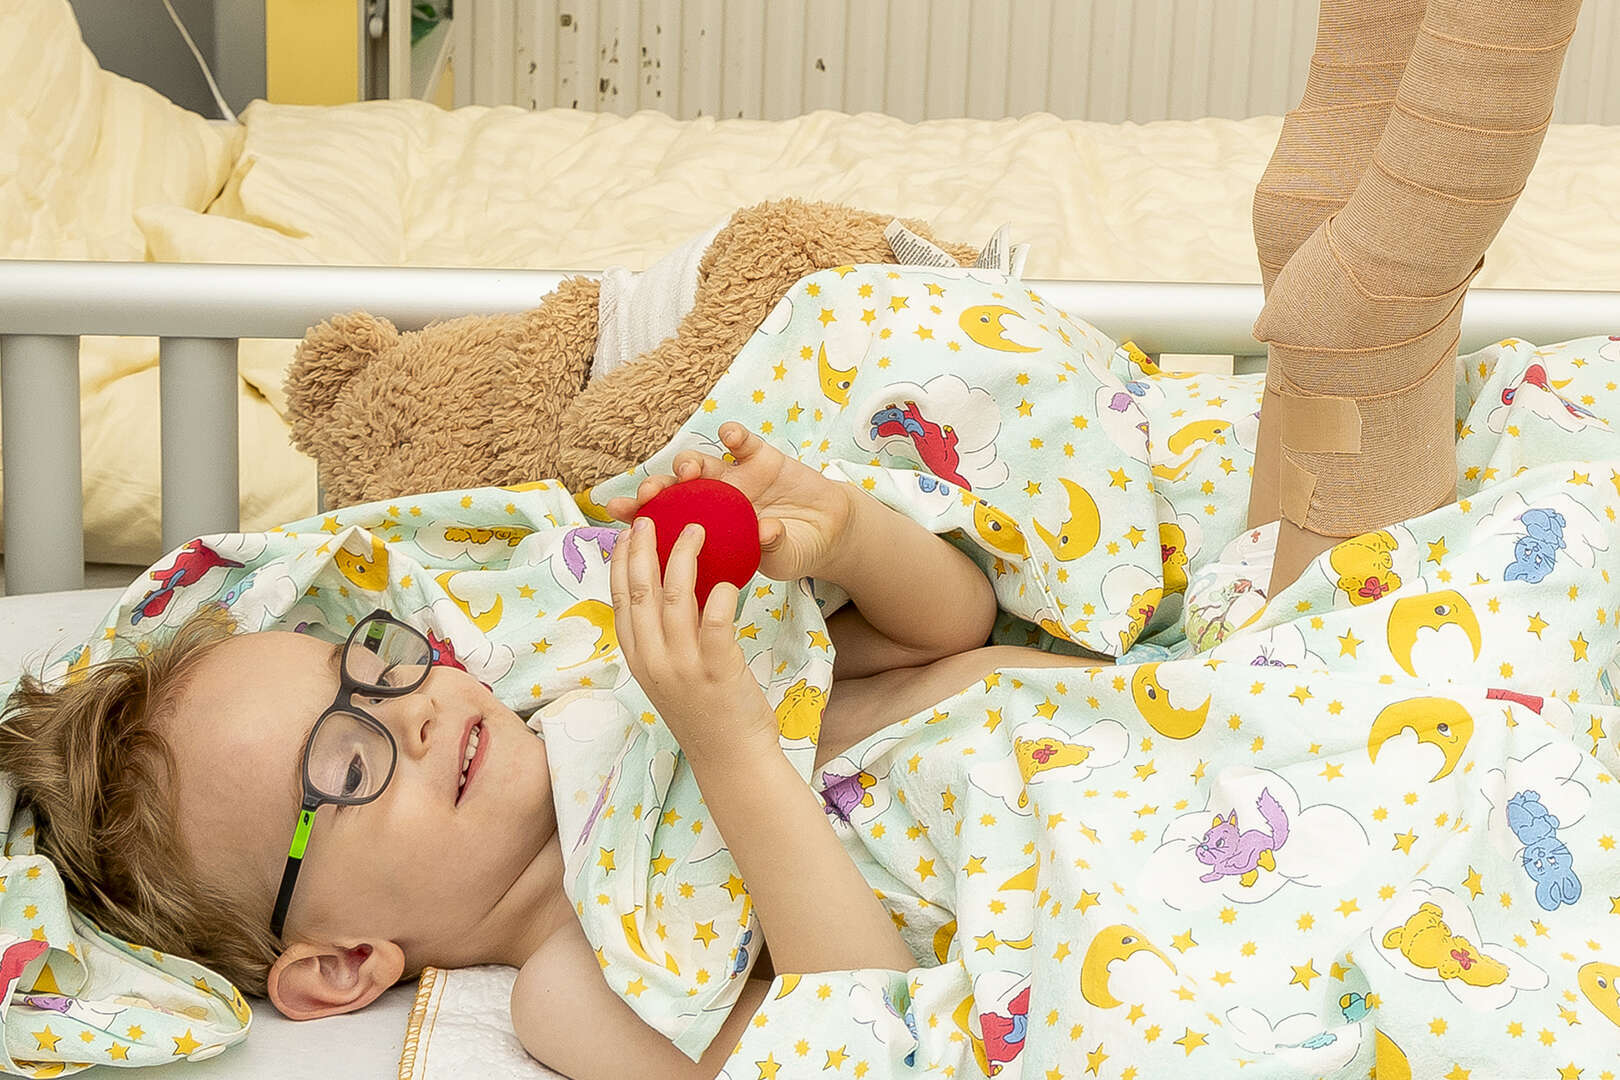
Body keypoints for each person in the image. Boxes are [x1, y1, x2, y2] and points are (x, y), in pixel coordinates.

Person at [0, 422, 1108, 1080]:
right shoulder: (577, 985)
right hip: (1156, 864)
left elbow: (951, 630)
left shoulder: (611, 682)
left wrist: (848, 533)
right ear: (344, 965)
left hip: (1206, 712)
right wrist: (726, 742)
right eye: (344, 768)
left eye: (373, 665)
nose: (414, 710)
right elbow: (865, 1044)